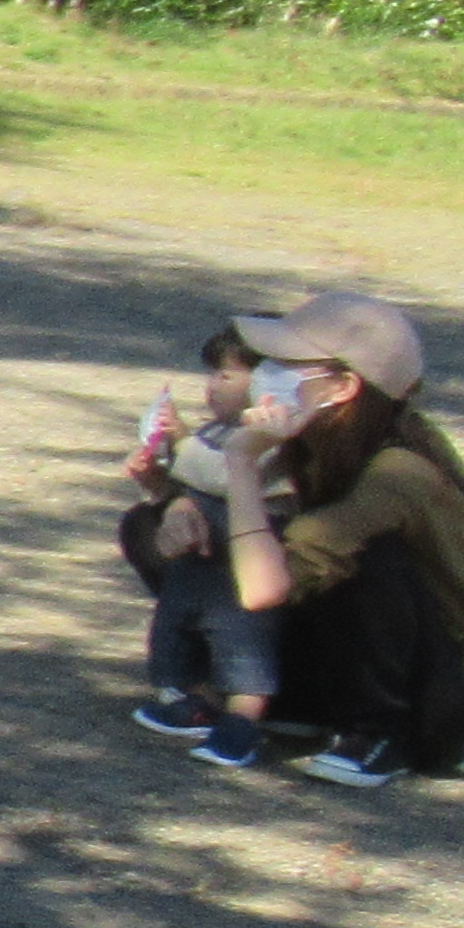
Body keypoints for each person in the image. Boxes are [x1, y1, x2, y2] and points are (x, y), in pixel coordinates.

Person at [193, 291, 464, 790]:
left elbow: (264, 588)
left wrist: (242, 466)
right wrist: (177, 500)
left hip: (456, 683)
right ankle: (291, 700)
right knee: (172, 526)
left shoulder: (400, 470)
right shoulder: (322, 440)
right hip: (390, 650)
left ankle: (380, 733)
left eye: (289, 363)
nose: (268, 372)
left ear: (345, 386)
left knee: (359, 555)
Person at [116, 325, 275, 771]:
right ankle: (198, 696)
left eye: (225, 377)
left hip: (243, 563)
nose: (211, 388)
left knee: (245, 639)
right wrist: (156, 481)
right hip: (200, 560)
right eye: (211, 376)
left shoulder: (268, 437)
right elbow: (191, 486)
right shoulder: (215, 432)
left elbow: (228, 477)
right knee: (181, 623)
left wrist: (183, 443)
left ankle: (244, 722)